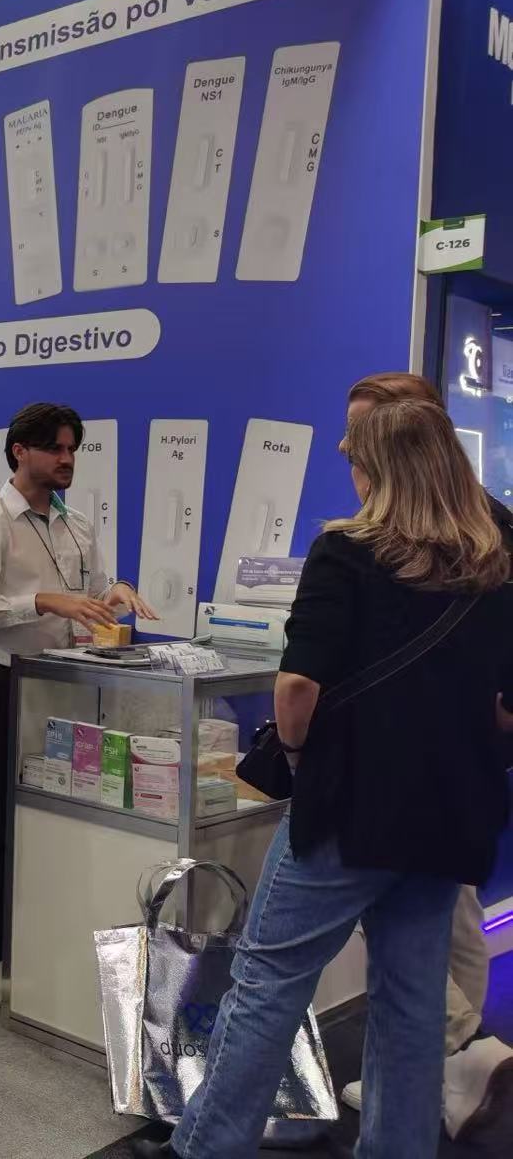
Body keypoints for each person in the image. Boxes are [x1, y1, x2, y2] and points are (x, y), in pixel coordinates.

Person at [137, 400, 513, 1158]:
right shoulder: (493, 562)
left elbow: (297, 688)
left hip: (350, 807)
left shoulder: (346, 551)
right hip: (450, 814)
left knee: (267, 984)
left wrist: (304, 763)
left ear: (377, 467)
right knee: (411, 1002)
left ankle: (207, 1147)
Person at [331, 372, 513, 1142]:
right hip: (455, 764)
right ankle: (446, 1072)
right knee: (447, 909)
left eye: (363, 436)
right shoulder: (477, 517)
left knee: (402, 921)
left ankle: (459, 1050)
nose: (351, 451)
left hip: (415, 765)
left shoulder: (437, 531)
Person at [0, 402, 154, 1004]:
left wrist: (117, 592)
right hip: (4, 678)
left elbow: (93, 593)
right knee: (1, 820)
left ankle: (51, 940)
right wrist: (41, 601)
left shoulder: (78, 524)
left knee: (60, 813)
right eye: (55, 448)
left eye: (72, 450)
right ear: (20, 451)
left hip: (68, 682)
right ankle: (1, 954)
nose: (67, 460)